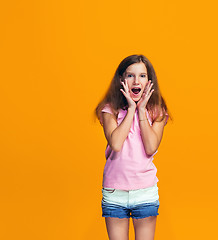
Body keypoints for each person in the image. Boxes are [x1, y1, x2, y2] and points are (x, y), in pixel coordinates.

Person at [95, 54, 170, 240]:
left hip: (145, 191)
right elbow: (116, 143)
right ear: (121, 79)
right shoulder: (109, 109)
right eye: (130, 75)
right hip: (115, 193)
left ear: (149, 81)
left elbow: (151, 147)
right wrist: (131, 109)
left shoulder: (156, 111)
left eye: (142, 76)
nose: (136, 80)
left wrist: (142, 110)